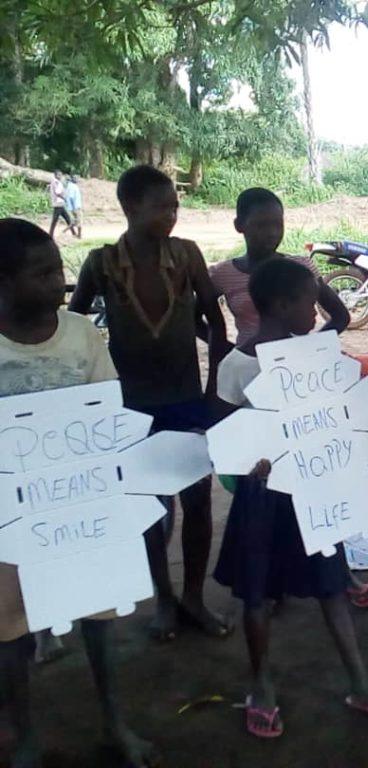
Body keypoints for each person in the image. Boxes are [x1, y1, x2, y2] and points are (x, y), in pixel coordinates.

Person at [214, 257, 368, 735]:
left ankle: (361, 682)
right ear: (283, 305)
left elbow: (341, 411)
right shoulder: (239, 364)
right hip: (262, 496)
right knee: (257, 595)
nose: (317, 309)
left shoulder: (317, 356)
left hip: (316, 488)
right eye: (309, 298)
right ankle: (261, 684)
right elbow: (218, 429)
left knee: (330, 583)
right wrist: (248, 461)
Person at [0, 218, 158, 766]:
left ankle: (114, 722)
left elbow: (107, 409)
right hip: (9, 522)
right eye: (41, 273)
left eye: (58, 268)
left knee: (98, 615)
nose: (58, 282)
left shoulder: (82, 335)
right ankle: (23, 736)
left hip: (80, 504)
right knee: (10, 629)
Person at [68, 164, 232, 642]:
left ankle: (194, 598)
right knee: (149, 508)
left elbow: (214, 321)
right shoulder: (100, 264)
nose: (172, 215)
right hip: (131, 406)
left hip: (186, 399)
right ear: (129, 208)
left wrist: (214, 386)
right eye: (161, 206)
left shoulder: (186, 256)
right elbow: (75, 323)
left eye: (175, 206)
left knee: (197, 500)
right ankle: (164, 599)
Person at [208, 187, 350, 347]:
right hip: (248, 363)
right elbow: (195, 317)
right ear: (239, 225)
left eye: (278, 224)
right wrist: (226, 349)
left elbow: (340, 316)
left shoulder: (300, 268)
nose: (272, 233)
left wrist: (310, 348)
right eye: (261, 225)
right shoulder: (223, 274)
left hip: (294, 365)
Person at [47, 171, 70, 238]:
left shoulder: (55, 182)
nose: (60, 176)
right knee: (58, 220)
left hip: (59, 204)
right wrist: (64, 198)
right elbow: (58, 192)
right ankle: (50, 234)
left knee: (67, 219)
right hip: (58, 204)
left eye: (61, 175)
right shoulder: (56, 182)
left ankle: (50, 234)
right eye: (59, 175)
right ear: (55, 175)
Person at [63, 174, 83, 239]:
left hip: (74, 207)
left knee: (75, 222)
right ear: (73, 179)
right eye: (76, 178)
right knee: (79, 221)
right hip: (76, 207)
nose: (77, 180)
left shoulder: (70, 186)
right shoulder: (73, 186)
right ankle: (79, 236)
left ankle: (64, 231)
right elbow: (71, 197)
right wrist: (75, 208)